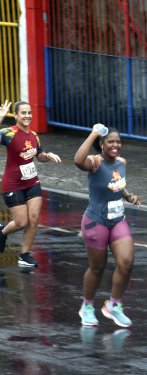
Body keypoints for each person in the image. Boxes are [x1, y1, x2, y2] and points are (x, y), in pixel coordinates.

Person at [74, 125, 141, 328]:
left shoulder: (121, 163)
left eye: (118, 142)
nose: (115, 145)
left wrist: (128, 196)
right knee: (97, 267)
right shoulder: (95, 162)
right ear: (102, 145)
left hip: (117, 220)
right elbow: (78, 160)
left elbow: (116, 182)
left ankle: (114, 305)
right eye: (110, 142)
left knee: (127, 262)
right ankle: (86, 306)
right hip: (96, 221)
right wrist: (94, 133)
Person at [0, 100, 62, 270]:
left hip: (32, 181)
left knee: (33, 220)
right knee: (21, 222)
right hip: (12, 184)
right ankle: (3, 232)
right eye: (23, 113)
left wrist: (48, 155)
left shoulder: (34, 135)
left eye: (29, 113)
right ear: (17, 115)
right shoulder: (8, 133)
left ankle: (24, 255)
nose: (27, 116)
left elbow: (39, 155)